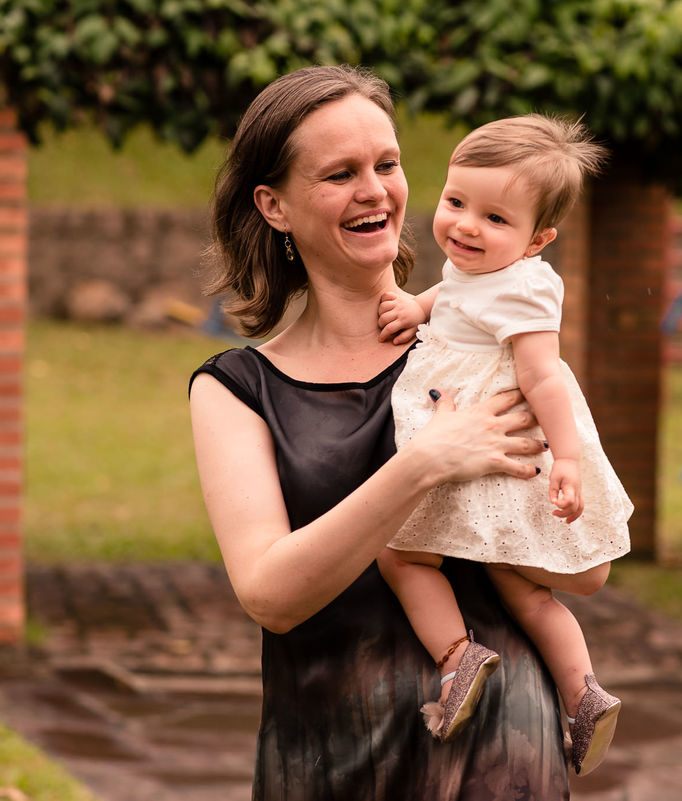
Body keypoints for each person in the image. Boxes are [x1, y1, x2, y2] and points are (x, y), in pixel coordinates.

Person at [188, 65, 573, 799]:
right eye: (340, 173)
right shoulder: (236, 389)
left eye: (386, 164)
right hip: (329, 761)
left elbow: (585, 568)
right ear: (273, 204)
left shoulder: (498, 349)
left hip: (503, 760)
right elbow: (271, 593)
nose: (375, 189)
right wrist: (424, 463)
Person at [375, 115, 634, 776]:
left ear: (538, 239)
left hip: (481, 437)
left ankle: (458, 656)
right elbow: (462, 293)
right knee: (521, 587)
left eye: (494, 218)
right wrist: (419, 305)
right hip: (475, 435)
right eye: (457, 201)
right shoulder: (484, 268)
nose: (464, 226)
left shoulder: (525, 290)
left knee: (401, 554)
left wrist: (569, 459)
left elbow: (543, 374)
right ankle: (582, 693)